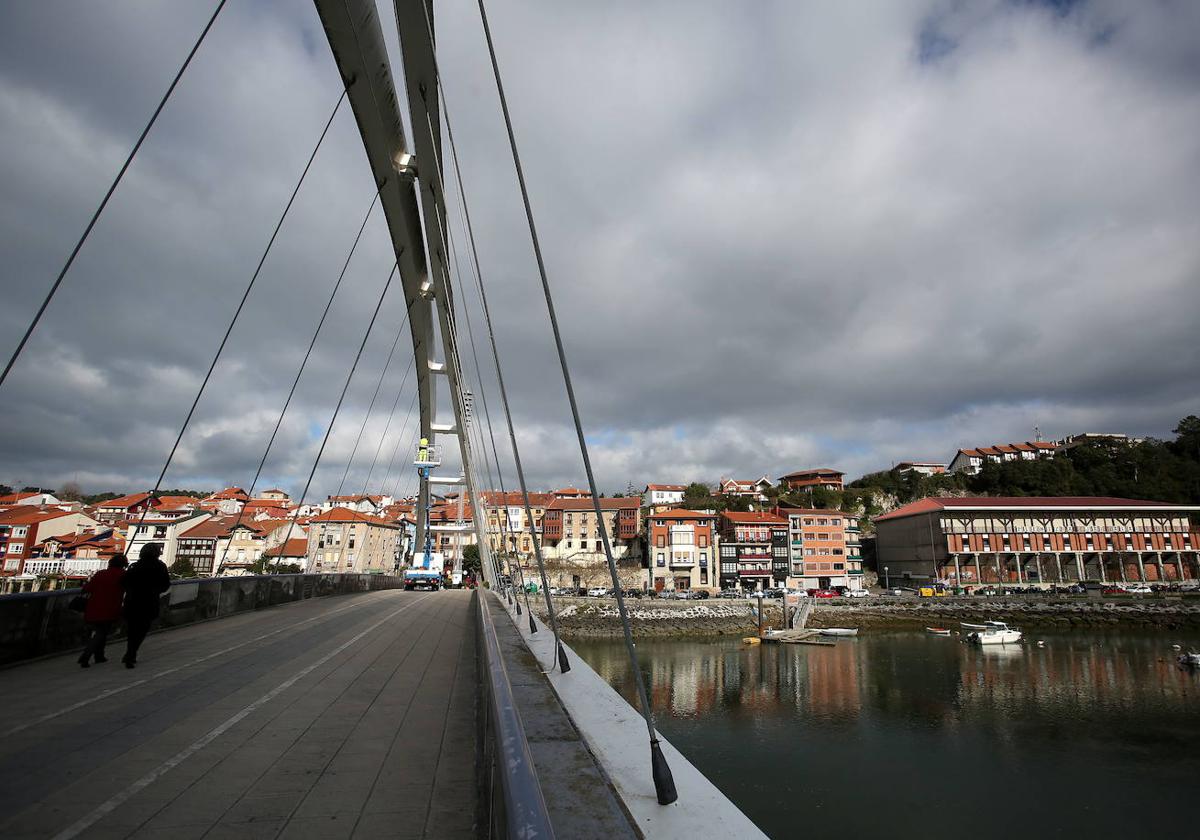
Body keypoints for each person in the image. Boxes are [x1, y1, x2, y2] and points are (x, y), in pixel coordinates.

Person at [120, 543, 171, 668]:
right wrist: (156, 591)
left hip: (132, 602)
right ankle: (131, 654)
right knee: (142, 629)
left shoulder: (134, 566)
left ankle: (130, 653)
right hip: (149, 602)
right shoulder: (160, 566)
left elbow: (124, 582)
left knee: (132, 629)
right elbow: (165, 584)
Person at [77, 553, 128, 668]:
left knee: (100, 632)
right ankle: (87, 655)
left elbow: (86, 589)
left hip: (93, 607)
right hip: (111, 608)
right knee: (102, 632)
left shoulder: (101, 574)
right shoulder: (123, 575)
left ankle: (99, 655)